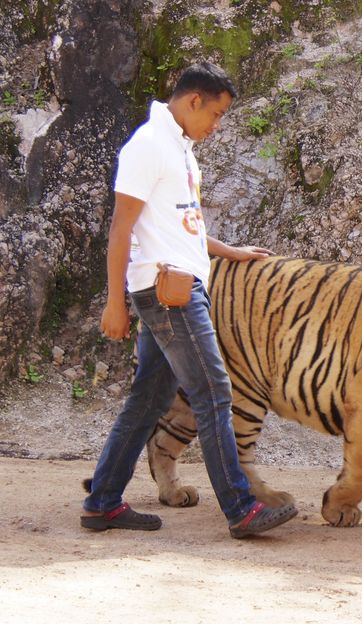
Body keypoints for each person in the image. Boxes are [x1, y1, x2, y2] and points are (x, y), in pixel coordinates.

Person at [81, 62, 297, 538]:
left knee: (148, 399)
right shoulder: (148, 146)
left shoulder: (180, 150)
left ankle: (102, 502)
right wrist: (115, 302)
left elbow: (183, 227)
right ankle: (241, 508)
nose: (216, 125)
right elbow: (121, 228)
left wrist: (230, 251)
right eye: (216, 114)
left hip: (179, 285)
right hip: (168, 293)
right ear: (194, 100)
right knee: (215, 391)